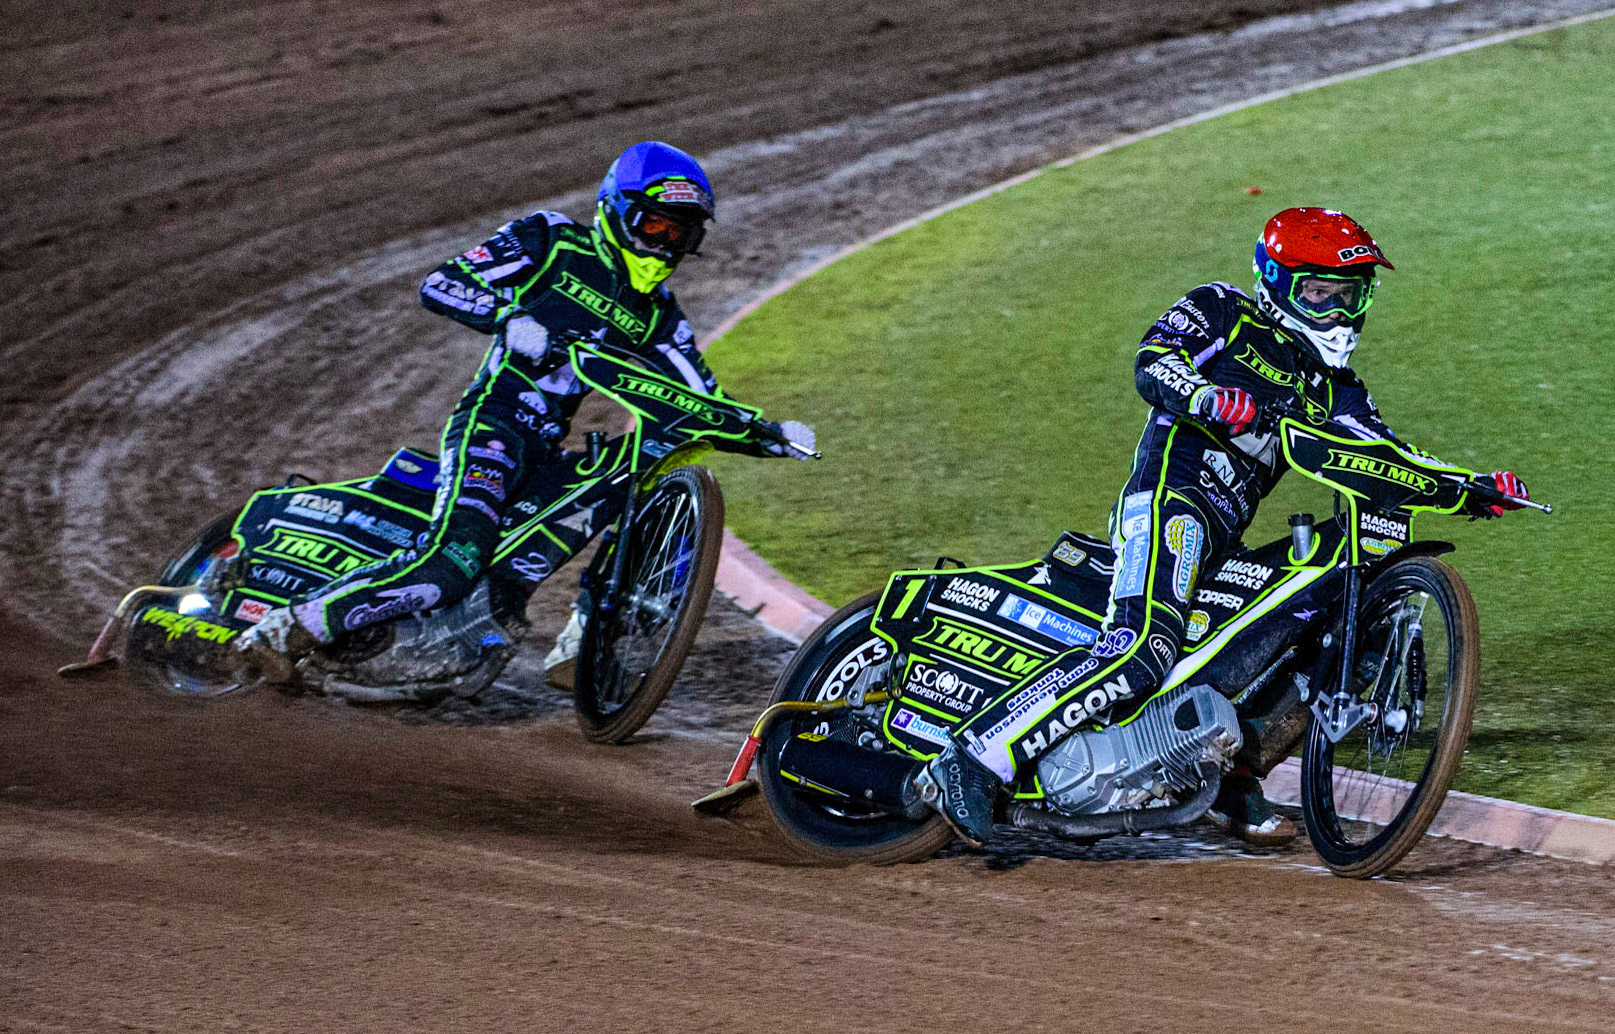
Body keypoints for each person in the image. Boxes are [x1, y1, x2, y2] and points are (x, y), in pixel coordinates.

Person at [919, 207, 1531, 848]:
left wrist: (1473, 488)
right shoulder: (1221, 310)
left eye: (1348, 296)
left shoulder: (1338, 389)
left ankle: (1223, 775)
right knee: (1142, 649)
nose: (1335, 313)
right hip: (1167, 504)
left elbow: (1386, 455)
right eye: (1317, 293)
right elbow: (1152, 361)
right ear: (1276, 281)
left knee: (1295, 629)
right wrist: (1208, 398)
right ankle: (973, 757)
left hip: (1222, 539)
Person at [233, 141, 814, 683]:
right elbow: (443, 282)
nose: (665, 245)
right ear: (616, 210)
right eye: (656, 226)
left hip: (544, 450)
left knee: (643, 461)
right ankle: (290, 626)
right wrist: (509, 319)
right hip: (492, 426)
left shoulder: (660, 314)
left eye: (681, 235)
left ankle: (588, 632)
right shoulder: (551, 240)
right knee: (450, 565)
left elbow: (699, 399)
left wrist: (768, 432)